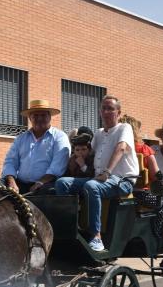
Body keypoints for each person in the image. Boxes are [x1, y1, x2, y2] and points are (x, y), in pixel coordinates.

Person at [55, 95, 139, 251]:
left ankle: (96, 236)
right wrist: (74, 158)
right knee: (62, 183)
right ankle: (70, 229)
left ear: (118, 113)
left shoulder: (124, 128)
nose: (106, 112)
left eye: (110, 109)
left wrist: (107, 172)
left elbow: (120, 148)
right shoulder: (99, 133)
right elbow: (89, 153)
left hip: (122, 180)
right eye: (103, 109)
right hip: (99, 179)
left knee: (92, 186)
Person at [0, 99, 70, 194]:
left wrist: (40, 182)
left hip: (46, 183)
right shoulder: (21, 139)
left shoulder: (60, 137)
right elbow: (10, 161)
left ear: (49, 117)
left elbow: (57, 166)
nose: (39, 118)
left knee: (48, 191)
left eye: (43, 115)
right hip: (19, 184)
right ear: (30, 118)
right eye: (35, 115)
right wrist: (11, 182)